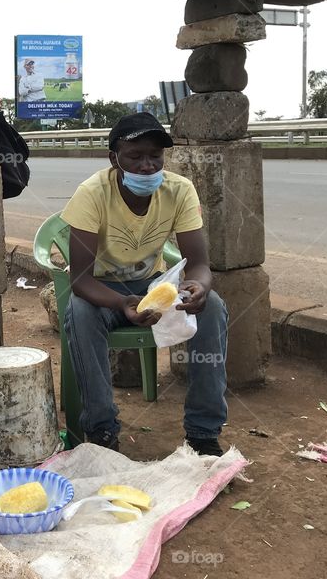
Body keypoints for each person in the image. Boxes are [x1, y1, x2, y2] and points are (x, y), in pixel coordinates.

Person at [60, 113, 228, 455]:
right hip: (103, 291)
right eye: (135, 157)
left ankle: (203, 433)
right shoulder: (92, 193)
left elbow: (197, 263)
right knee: (79, 313)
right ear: (114, 159)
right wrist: (122, 303)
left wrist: (199, 286)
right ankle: (102, 431)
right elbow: (79, 279)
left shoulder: (179, 190)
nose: (147, 166)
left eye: (155, 156)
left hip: (154, 285)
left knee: (213, 307)